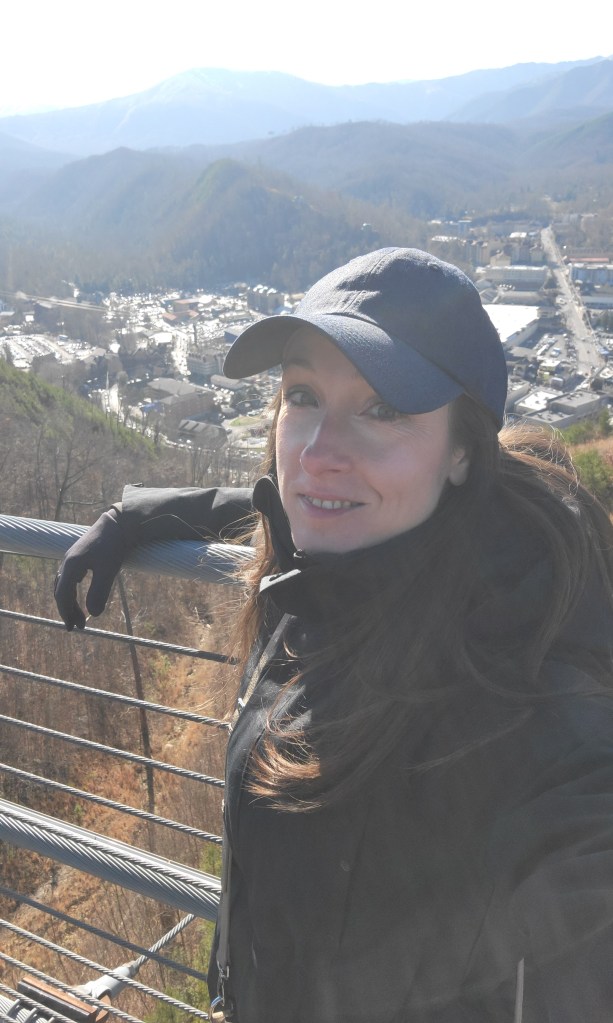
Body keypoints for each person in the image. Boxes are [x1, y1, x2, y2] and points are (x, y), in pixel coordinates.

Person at [54, 248, 613, 1022]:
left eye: (382, 408)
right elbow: (289, 496)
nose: (318, 453)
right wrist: (144, 514)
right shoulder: (322, 560)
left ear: (460, 450)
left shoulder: (528, 697)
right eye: (303, 394)